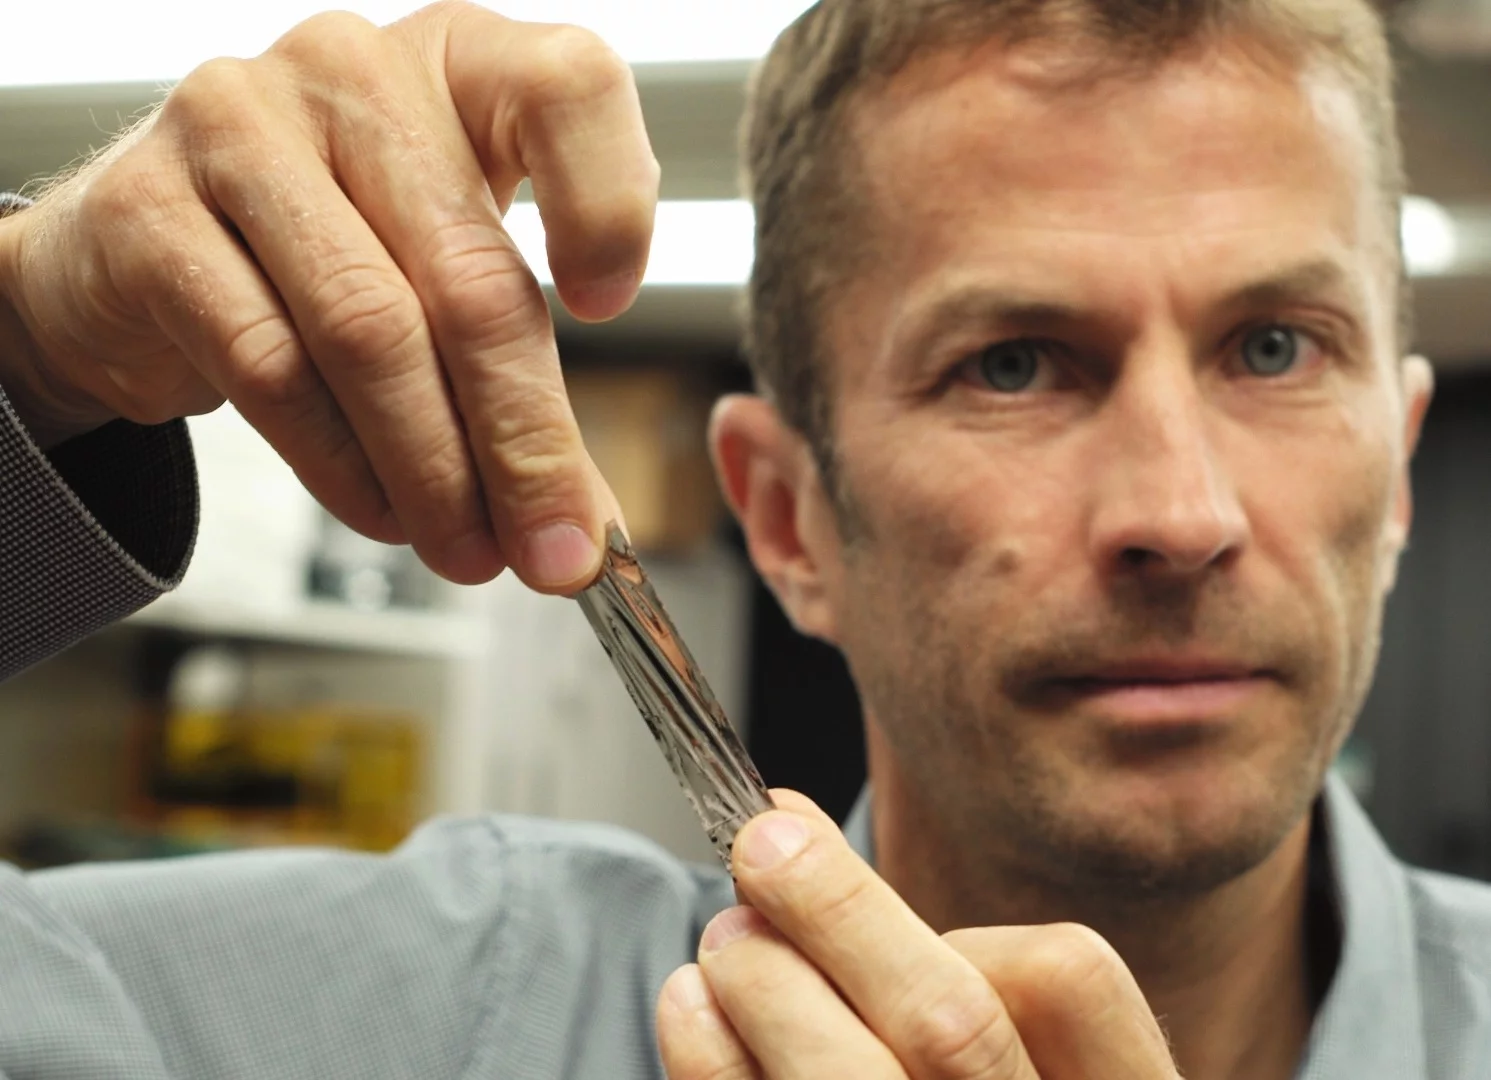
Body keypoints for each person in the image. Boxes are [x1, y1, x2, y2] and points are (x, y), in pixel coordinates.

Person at [0, 0, 1485, 1077]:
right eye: (1013, 363)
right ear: (786, 522)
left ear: (1399, 467)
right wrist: (32, 343)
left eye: (1276, 349)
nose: (1180, 516)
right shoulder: (426, 1016)